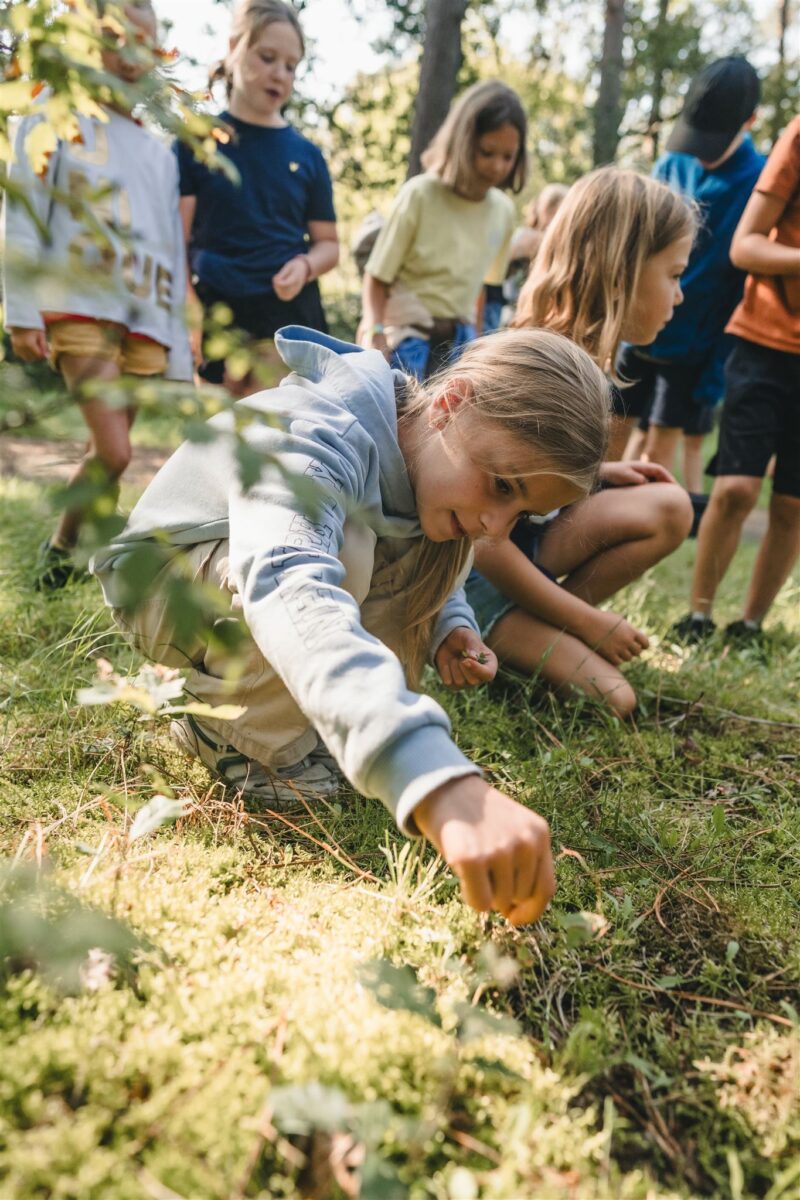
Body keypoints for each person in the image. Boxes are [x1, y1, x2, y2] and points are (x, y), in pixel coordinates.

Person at [93, 325, 610, 925]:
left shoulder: (431, 461)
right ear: (451, 402)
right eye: (501, 487)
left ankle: (303, 730)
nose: (498, 526)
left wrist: (452, 623)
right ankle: (232, 734)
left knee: (434, 539)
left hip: (251, 577)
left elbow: (428, 548)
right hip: (165, 582)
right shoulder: (319, 430)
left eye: (520, 512)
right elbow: (289, 580)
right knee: (350, 548)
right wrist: (437, 780)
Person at [464, 168, 696, 716]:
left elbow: (532, 498)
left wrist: (597, 477)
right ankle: (487, 640)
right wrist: (587, 619)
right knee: (613, 699)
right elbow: (481, 539)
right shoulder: (539, 371)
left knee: (668, 505)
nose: (680, 295)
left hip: (521, 555)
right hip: (467, 585)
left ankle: (538, 632)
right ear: (622, 272)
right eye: (674, 274)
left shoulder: (594, 368)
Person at [3, 0, 192, 591]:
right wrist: (22, 310)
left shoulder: (159, 154)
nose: (132, 58)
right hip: (75, 306)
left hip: (141, 321)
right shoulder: (50, 117)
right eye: (120, 39)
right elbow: (23, 214)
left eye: (146, 46)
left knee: (107, 450)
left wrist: (178, 348)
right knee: (114, 451)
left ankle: (60, 553)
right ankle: (99, 558)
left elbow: (171, 250)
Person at [671, 116, 800, 647]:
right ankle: (698, 617)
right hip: (764, 340)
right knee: (737, 489)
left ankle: (749, 626)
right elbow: (744, 246)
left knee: (793, 503)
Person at [611, 57, 765, 495]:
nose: (699, 148)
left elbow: (740, 286)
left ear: (750, 121)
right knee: (609, 429)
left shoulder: (758, 181)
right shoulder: (671, 163)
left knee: (659, 446)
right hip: (636, 336)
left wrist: (717, 370)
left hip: (692, 350)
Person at [176, 0, 339, 395]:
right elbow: (172, 242)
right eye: (267, 57)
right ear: (235, 46)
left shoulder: (307, 155)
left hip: (286, 316)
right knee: (219, 438)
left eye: (290, 66)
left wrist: (304, 266)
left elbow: (329, 246)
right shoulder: (196, 142)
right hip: (217, 312)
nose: (279, 74)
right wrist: (189, 310)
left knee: (271, 433)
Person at [359, 80, 524, 378]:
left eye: (507, 157)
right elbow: (377, 276)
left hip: (458, 343)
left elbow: (482, 288)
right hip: (404, 337)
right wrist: (375, 332)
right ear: (464, 142)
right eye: (487, 152)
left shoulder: (503, 211)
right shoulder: (420, 195)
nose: (498, 167)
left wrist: (477, 348)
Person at [481, 184, 569, 334]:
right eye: (550, 206)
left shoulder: (568, 246)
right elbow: (497, 275)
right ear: (540, 209)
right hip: (514, 313)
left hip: (551, 317)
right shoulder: (523, 237)